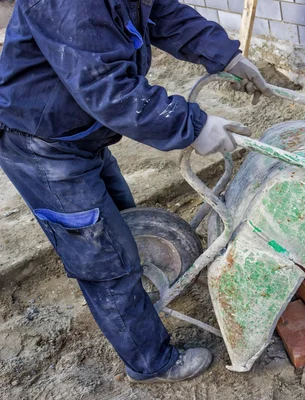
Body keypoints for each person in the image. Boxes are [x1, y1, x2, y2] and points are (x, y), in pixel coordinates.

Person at [0, 0, 273, 383]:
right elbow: (108, 89)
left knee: (124, 227)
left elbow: (163, 13)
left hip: (79, 132)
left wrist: (225, 56)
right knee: (105, 259)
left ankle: (141, 297)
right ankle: (151, 362)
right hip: (43, 145)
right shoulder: (69, 5)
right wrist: (193, 126)